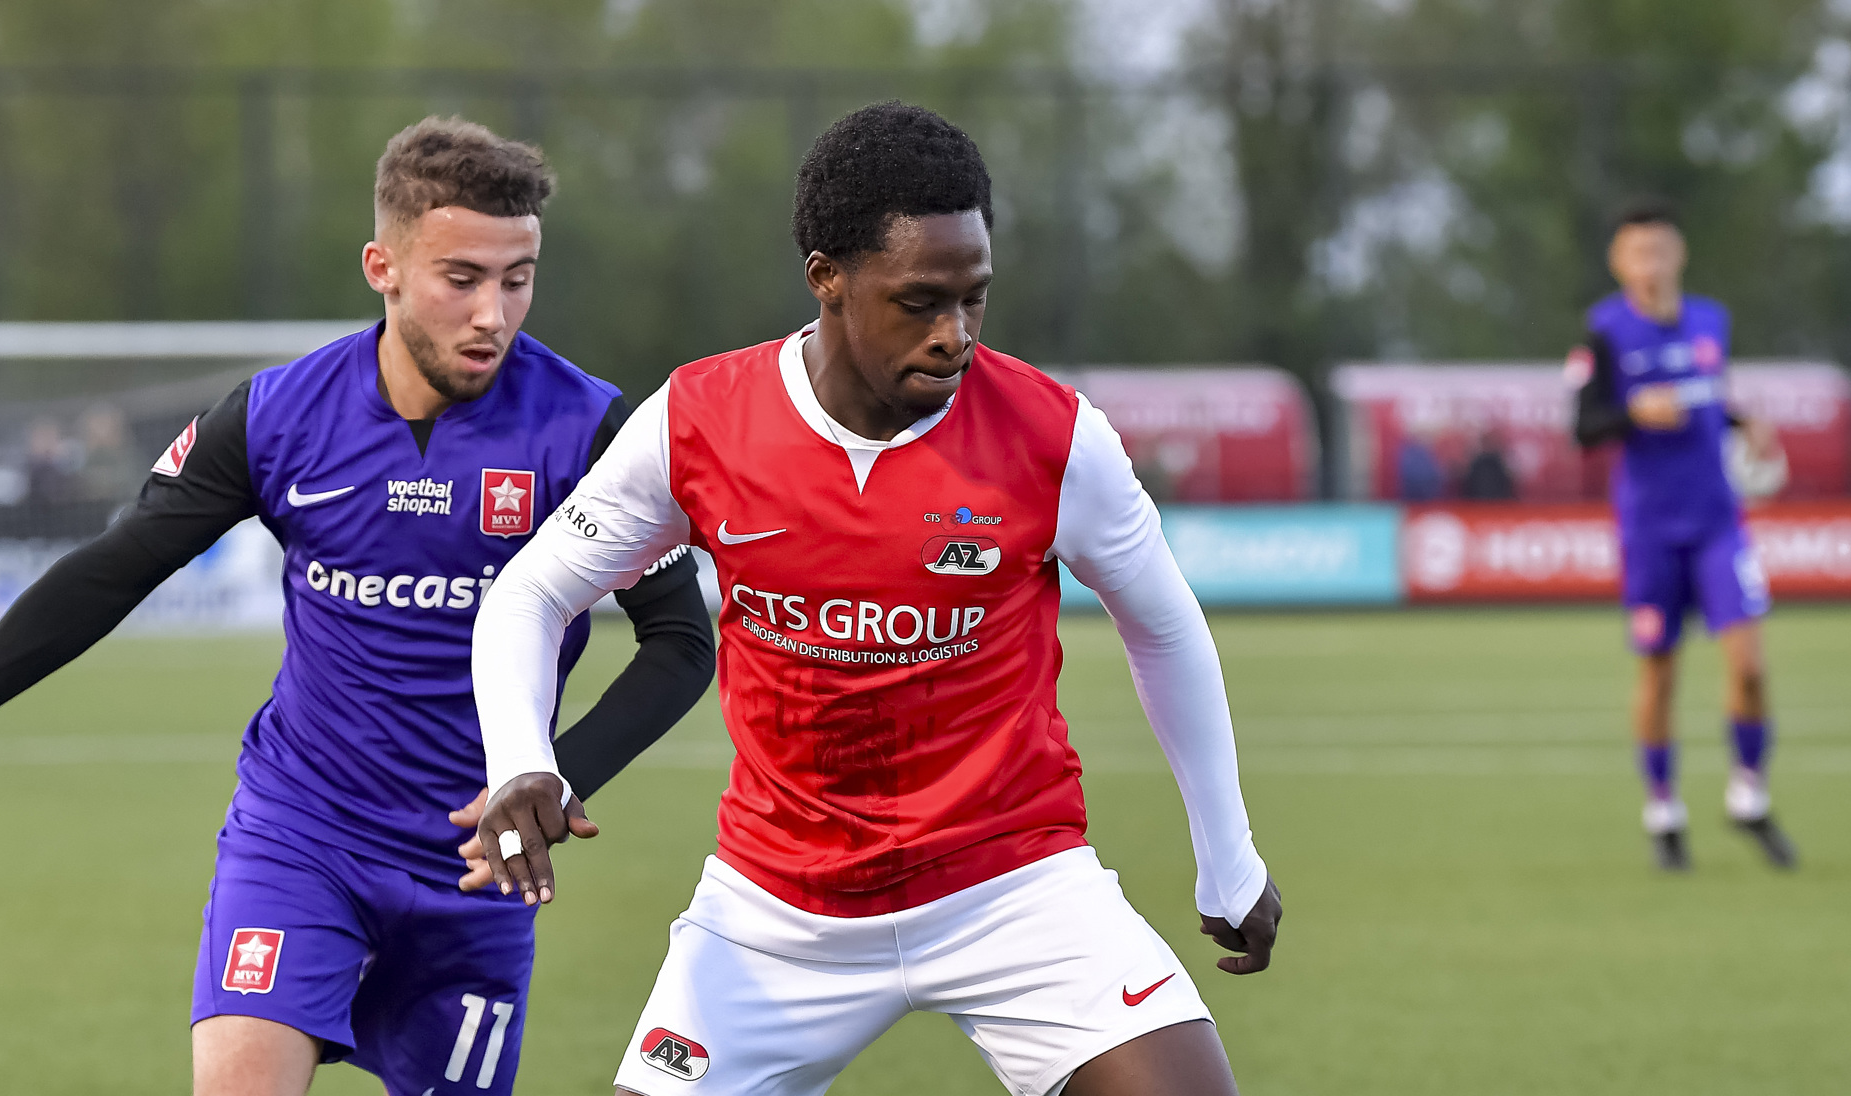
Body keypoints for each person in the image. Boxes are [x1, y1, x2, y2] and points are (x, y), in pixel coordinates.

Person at [0, 117, 716, 1096]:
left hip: (476, 868)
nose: (493, 313)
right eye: (461, 278)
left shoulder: (589, 430)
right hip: (301, 834)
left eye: (517, 279)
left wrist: (553, 780)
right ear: (383, 267)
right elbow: (111, 572)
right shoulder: (280, 416)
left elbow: (677, 640)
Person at [465, 102, 1281, 1096]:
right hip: (775, 913)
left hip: (1013, 888)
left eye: (974, 298)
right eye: (919, 303)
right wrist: (520, 759)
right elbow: (530, 593)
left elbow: (1163, 626)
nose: (954, 335)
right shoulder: (698, 420)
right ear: (827, 278)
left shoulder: (1056, 435)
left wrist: (1227, 855)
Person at [1571, 201, 1795, 871]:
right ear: (1619, 261)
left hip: (1718, 520)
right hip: (1649, 528)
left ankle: (1749, 795)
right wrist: (1633, 412)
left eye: (1661, 251)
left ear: (1680, 255)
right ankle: (1663, 811)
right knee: (1660, 671)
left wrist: (1744, 422)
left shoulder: (1710, 320)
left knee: (1749, 667)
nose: (1652, 264)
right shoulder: (1603, 332)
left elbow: (1709, 396)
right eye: (1638, 253)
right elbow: (1583, 426)